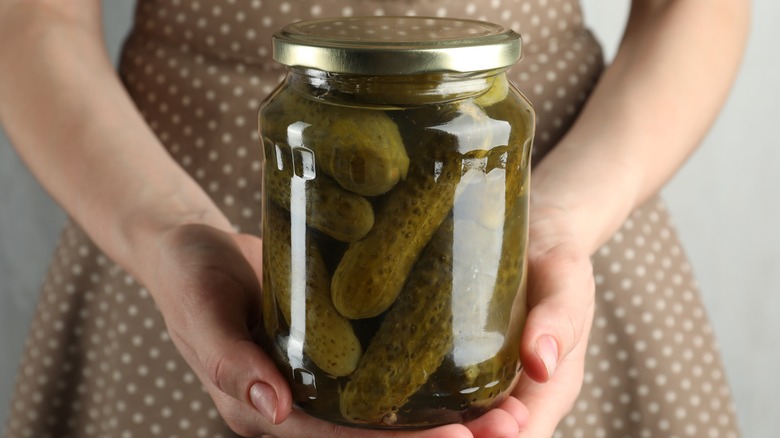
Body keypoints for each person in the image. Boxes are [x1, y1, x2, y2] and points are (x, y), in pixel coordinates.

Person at [0, 0, 749, 436]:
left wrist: (559, 220)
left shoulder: (503, 149)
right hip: (151, 190)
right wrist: (167, 232)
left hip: (568, 190)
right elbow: (34, 21)